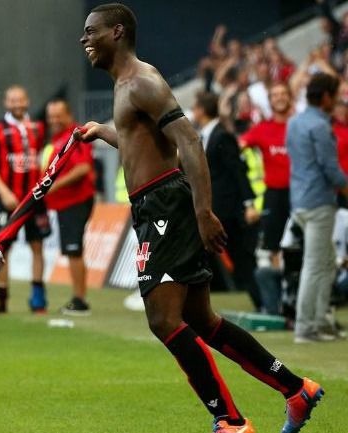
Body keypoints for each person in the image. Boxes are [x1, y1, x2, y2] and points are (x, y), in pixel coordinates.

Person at [78, 5, 321, 433]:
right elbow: (143, 148)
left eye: (91, 32)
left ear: (117, 33)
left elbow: (189, 142)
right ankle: (295, 389)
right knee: (202, 321)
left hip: (166, 208)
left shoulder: (142, 81)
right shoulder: (125, 86)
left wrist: (203, 211)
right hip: (154, 206)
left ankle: (230, 421)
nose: (84, 40)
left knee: (163, 320)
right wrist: (103, 131)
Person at [286, 72, 348, 343]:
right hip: (319, 202)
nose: (336, 101)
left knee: (325, 263)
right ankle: (306, 327)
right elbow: (331, 170)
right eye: (334, 96)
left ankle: (321, 321)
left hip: (299, 200)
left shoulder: (295, 122)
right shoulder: (321, 127)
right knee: (315, 265)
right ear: (325, 97)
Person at [0, 85, 50, 314]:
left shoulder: (39, 128)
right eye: (12, 100)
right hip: (8, 199)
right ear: (6, 103)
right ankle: (2, 299)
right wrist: (3, 191)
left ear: (27, 101)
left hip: (35, 198)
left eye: (20, 100)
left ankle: (38, 298)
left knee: (37, 246)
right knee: (3, 249)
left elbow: (42, 159)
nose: (17, 104)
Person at [192, 91, 261, 308]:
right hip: (214, 209)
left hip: (228, 211)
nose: (193, 111)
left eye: (195, 107)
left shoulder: (222, 136)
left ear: (202, 110)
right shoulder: (205, 135)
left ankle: (265, 303)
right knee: (204, 253)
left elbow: (238, 171)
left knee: (242, 260)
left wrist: (249, 203)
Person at [239, 82, 293, 314]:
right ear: (269, 101)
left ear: (290, 97)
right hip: (274, 196)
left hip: (299, 193)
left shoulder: (298, 124)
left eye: (283, 93)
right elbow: (240, 146)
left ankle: (294, 294)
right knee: (273, 247)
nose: (279, 98)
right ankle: (278, 297)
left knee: (297, 246)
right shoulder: (262, 129)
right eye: (275, 94)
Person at [43, 98, 95, 316]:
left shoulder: (76, 135)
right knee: (73, 251)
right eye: (51, 116)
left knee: (74, 251)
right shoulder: (58, 139)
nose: (54, 120)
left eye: (58, 115)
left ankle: (80, 300)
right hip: (66, 202)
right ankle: (79, 297)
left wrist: (52, 185)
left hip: (76, 200)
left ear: (68, 114)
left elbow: (83, 168)